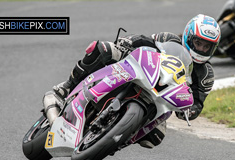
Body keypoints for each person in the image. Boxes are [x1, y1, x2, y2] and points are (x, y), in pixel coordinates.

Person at [43, 14, 221, 148]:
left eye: (207, 46)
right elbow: (144, 40)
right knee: (102, 49)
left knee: (154, 138)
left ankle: (112, 138)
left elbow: (198, 101)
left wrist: (190, 110)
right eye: (199, 43)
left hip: (159, 100)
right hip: (139, 71)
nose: (202, 49)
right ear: (189, 37)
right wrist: (127, 43)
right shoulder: (169, 39)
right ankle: (66, 88)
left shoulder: (206, 74)